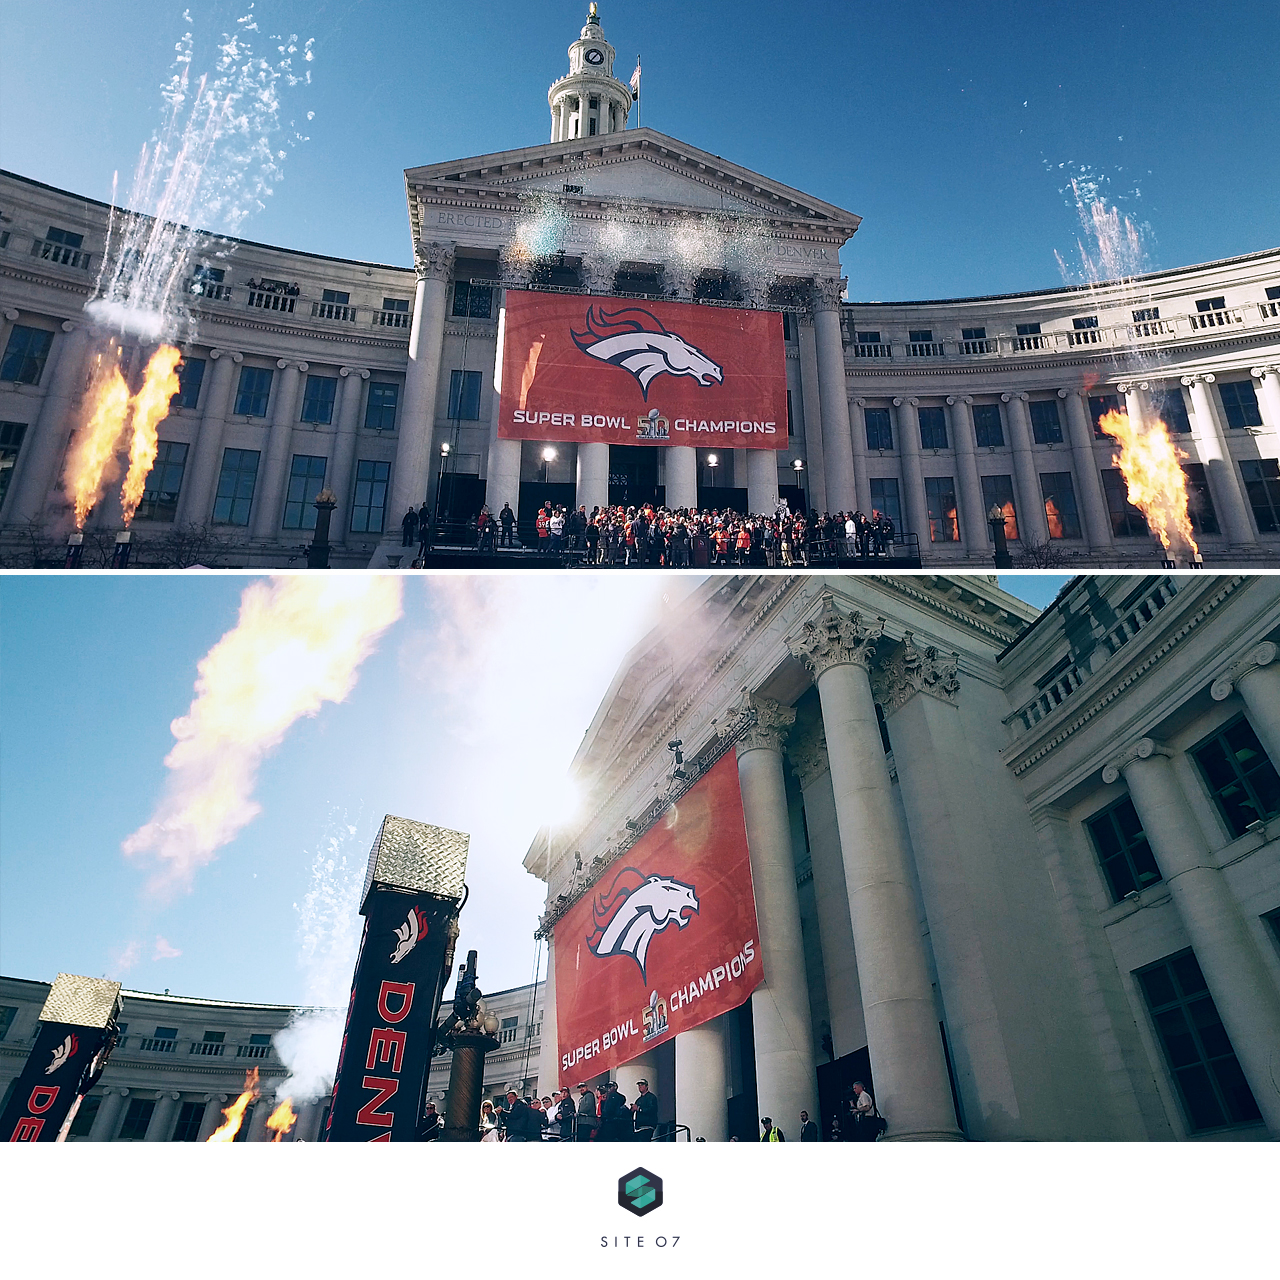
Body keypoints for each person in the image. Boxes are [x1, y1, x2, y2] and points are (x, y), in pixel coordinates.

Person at [631, 1078, 658, 1143]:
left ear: (647, 1086)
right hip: (639, 1127)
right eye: (639, 1085)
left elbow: (652, 1110)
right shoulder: (638, 1099)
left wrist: (638, 1109)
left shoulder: (651, 1097)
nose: (640, 1087)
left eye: (642, 1085)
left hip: (648, 1125)